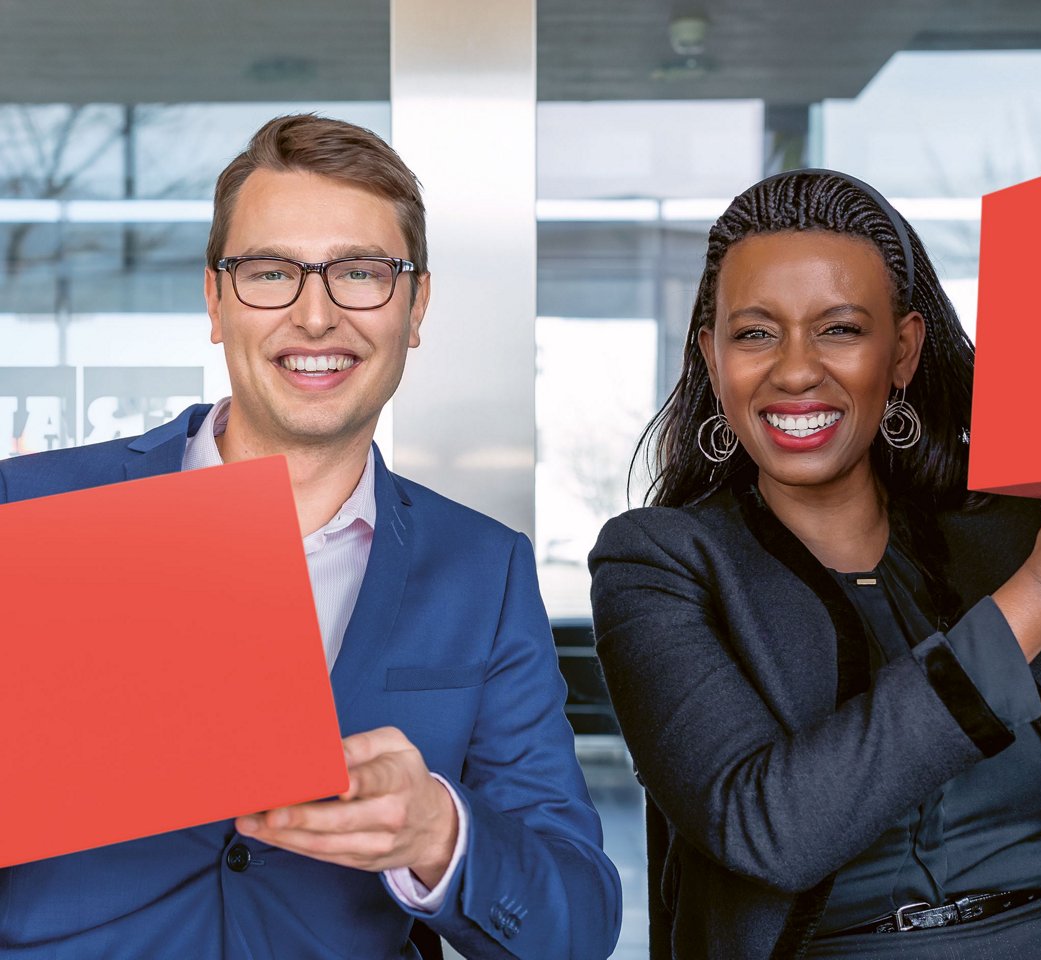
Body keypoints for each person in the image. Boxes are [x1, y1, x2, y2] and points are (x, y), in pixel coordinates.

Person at [588, 168, 1041, 960]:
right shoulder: (657, 563)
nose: (795, 369)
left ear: (904, 352)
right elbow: (768, 830)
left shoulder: (1017, 527)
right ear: (713, 358)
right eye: (755, 333)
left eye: (840, 329)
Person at [0, 115, 621, 960]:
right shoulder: (29, 511)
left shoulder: (484, 571)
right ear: (216, 301)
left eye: (361, 273)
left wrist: (441, 834)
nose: (316, 315)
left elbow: (577, 924)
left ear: (415, 305)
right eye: (269, 273)